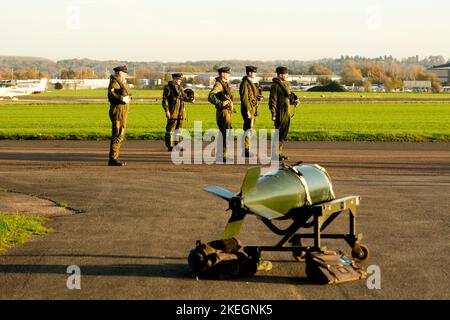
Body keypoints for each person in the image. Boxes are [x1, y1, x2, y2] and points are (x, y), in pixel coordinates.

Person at [208, 67, 234, 162]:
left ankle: (222, 155)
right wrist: (220, 103)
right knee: (225, 133)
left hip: (226, 112)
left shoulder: (224, 84)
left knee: (225, 133)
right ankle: (222, 155)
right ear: (222, 74)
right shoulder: (219, 84)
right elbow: (211, 96)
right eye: (227, 73)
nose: (229, 75)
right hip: (223, 112)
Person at [107, 65, 132, 166]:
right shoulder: (115, 82)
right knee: (118, 134)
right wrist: (122, 99)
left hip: (122, 111)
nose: (126, 74)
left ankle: (114, 157)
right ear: (120, 73)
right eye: (124, 72)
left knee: (120, 134)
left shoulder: (120, 82)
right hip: (118, 111)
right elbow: (111, 94)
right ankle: (113, 159)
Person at [162, 73, 191, 151]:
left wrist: (190, 99)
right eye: (178, 79)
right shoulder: (168, 88)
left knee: (179, 129)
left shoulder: (180, 88)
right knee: (171, 129)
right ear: (174, 79)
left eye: (180, 80)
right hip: (172, 111)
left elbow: (184, 98)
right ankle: (170, 146)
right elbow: (165, 100)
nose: (179, 81)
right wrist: (167, 110)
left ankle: (178, 145)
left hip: (180, 111)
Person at [269, 66, 292, 161]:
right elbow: (272, 101)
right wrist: (273, 113)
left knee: (283, 134)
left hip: (287, 112)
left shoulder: (286, 84)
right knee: (278, 134)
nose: (287, 76)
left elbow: (288, 97)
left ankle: (279, 153)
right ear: (280, 75)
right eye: (285, 74)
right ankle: (275, 154)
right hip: (280, 113)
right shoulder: (275, 86)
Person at [239, 66, 262, 157]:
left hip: (252, 108)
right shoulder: (245, 83)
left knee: (250, 128)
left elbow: (252, 95)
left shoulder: (251, 82)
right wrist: (248, 110)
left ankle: (246, 149)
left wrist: (258, 97)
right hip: (248, 109)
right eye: (253, 72)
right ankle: (245, 150)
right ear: (249, 73)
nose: (255, 74)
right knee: (248, 128)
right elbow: (244, 98)